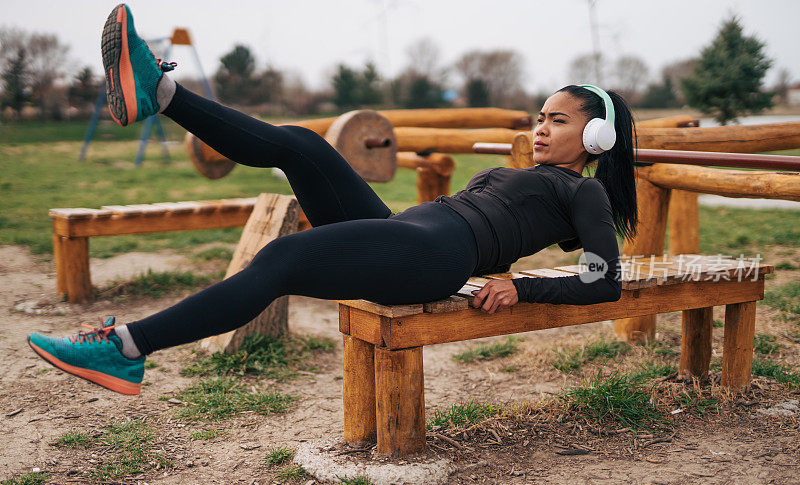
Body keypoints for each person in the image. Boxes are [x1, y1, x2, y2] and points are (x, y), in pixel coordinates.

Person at [26, 3, 638, 396]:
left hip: (436, 259)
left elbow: (603, 280)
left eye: (556, 121)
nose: (539, 128)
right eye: (540, 116)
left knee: (283, 260)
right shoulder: (530, 172)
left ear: (594, 136)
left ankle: (127, 349)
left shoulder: (582, 192)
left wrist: (517, 285)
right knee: (303, 145)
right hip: (408, 235)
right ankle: (161, 94)